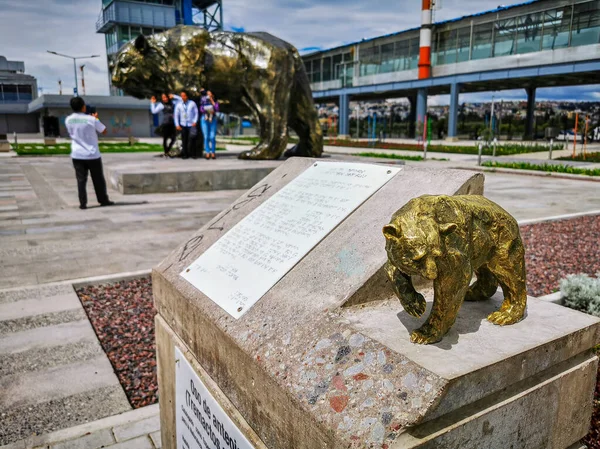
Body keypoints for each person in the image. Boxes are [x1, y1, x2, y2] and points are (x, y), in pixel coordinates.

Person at [65, 97, 114, 210]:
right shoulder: (91, 119)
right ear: (83, 106)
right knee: (98, 179)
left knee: (81, 180)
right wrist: (96, 119)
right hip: (92, 154)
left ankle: (83, 203)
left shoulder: (68, 120)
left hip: (77, 154)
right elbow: (104, 130)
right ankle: (103, 199)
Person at [150, 93, 181, 157]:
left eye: (166, 97)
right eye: (163, 97)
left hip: (173, 123)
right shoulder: (161, 104)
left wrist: (174, 96)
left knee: (173, 138)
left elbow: (181, 100)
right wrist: (152, 103)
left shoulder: (173, 102)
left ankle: (168, 150)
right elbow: (154, 111)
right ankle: (166, 152)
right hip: (166, 123)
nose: (165, 99)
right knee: (165, 138)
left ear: (169, 97)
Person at [174, 91, 199, 159]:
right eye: (181, 96)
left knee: (192, 139)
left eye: (184, 96)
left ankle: (193, 154)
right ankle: (185, 154)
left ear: (187, 96)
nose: (183, 97)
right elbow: (176, 115)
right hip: (183, 124)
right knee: (184, 140)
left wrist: (195, 121)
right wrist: (177, 124)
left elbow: (196, 113)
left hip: (191, 124)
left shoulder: (192, 103)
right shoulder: (179, 104)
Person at [200, 91, 219, 159]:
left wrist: (212, 101)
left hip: (212, 119)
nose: (208, 95)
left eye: (209, 94)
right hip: (205, 119)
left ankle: (213, 152)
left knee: (212, 136)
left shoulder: (215, 101)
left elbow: (217, 108)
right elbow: (201, 108)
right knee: (206, 136)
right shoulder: (203, 100)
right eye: (207, 94)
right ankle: (207, 152)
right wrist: (206, 110)